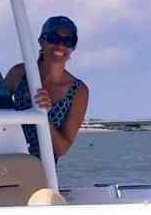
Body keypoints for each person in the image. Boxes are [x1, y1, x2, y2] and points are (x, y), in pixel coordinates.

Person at [5, 14, 90, 160]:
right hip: (7, 159)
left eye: (68, 41)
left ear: (73, 47)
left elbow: (61, 149)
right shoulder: (18, 74)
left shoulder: (78, 91)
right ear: (41, 41)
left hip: (42, 172)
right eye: (54, 39)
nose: (60, 46)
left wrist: (44, 116)